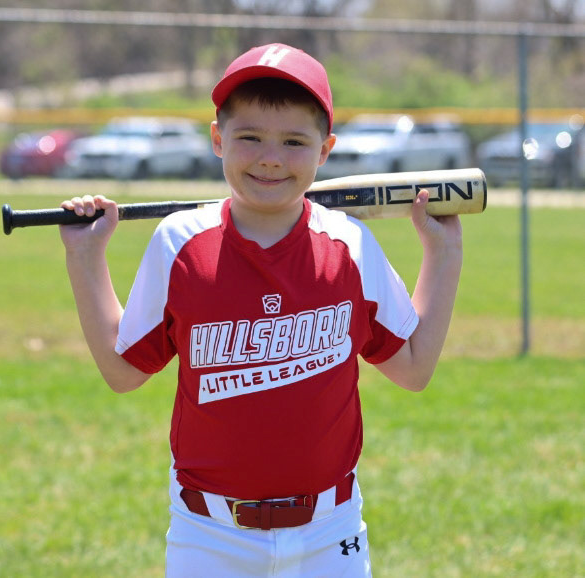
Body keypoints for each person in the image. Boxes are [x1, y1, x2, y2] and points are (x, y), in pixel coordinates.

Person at [59, 43, 463, 577]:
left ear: (325, 151)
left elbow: (412, 368)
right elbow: (123, 370)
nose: (271, 157)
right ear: (217, 138)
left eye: (294, 141)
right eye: (249, 137)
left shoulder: (348, 245)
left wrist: (443, 253)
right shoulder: (181, 244)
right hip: (210, 534)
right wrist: (85, 258)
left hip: (330, 530)